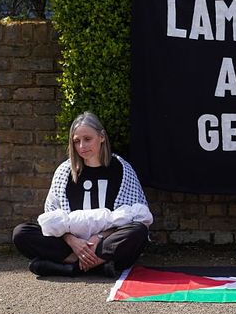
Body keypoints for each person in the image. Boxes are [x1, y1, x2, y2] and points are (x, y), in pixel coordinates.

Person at [13, 111, 151, 277]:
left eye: (87, 139)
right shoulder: (65, 171)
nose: (82, 147)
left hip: (105, 241)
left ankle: (69, 267)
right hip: (70, 243)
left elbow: (136, 215)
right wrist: (73, 242)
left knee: (138, 231)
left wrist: (99, 237)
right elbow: (51, 218)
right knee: (21, 233)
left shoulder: (122, 169)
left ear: (101, 137)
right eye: (76, 141)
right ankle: (99, 266)